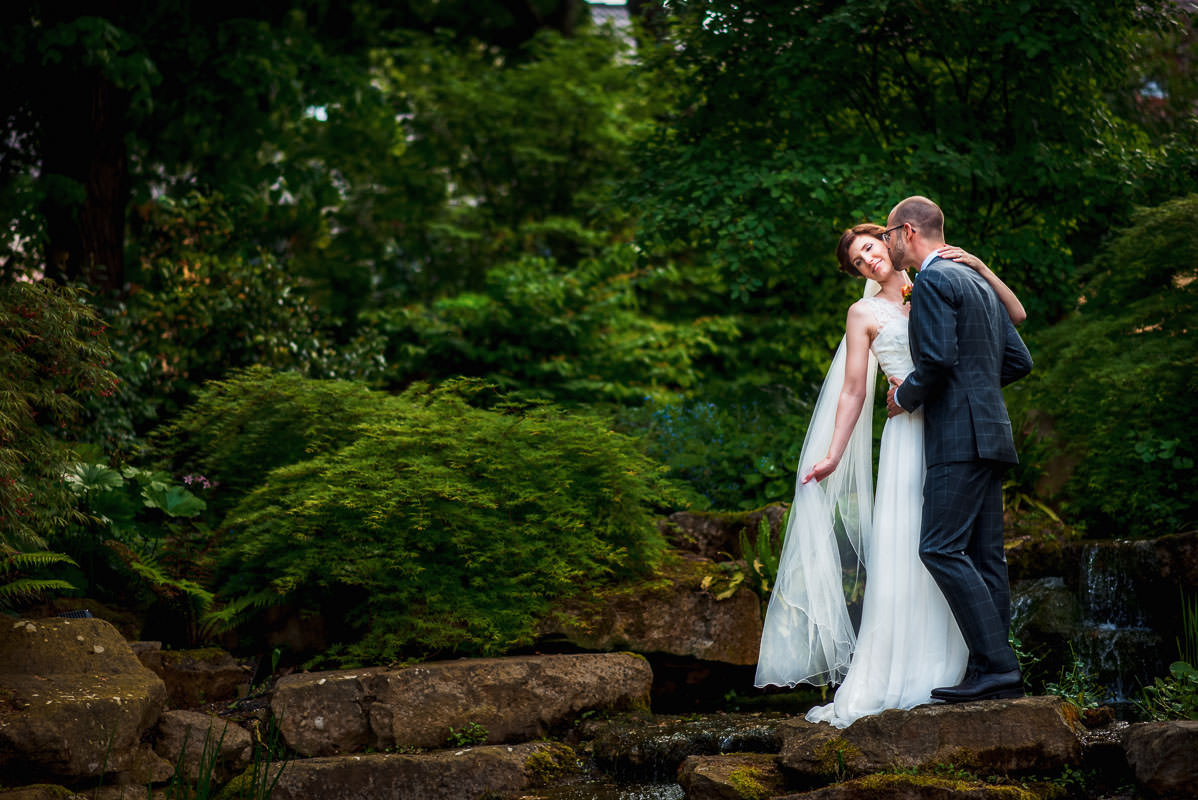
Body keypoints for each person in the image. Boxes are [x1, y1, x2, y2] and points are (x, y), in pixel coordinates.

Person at [754, 220, 1026, 727]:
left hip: (955, 429)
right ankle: (918, 667)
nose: (867, 260)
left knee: (963, 551)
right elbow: (855, 389)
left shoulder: (940, 279)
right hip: (911, 436)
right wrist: (833, 453)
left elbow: (1001, 331)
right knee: (914, 548)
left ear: (890, 238)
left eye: (869, 248)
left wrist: (983, 267)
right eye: (857, 261)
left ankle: (978, 664)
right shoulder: (865, 313)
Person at [882, 196, 1033, 704]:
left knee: (940, 548)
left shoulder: (932, 280)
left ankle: (997, 666)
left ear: (907, 231)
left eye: (887, 235)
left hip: (957, 438)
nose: (886, 244)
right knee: (987, 558)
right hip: (991, 433)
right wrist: (979, 389)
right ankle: (991, 670)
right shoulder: (975, 282)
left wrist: (904, 396)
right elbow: (1019, 360)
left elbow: (939, 360)